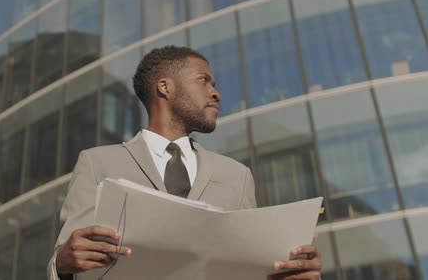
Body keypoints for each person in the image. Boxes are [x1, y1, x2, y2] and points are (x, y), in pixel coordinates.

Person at [47, 46, 322, 279]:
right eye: (204, 80)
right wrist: (62, 266)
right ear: (165, 87)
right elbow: (68, 254)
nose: (216, 93)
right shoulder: (97, 163)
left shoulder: (237, 176)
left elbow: (246, 267)